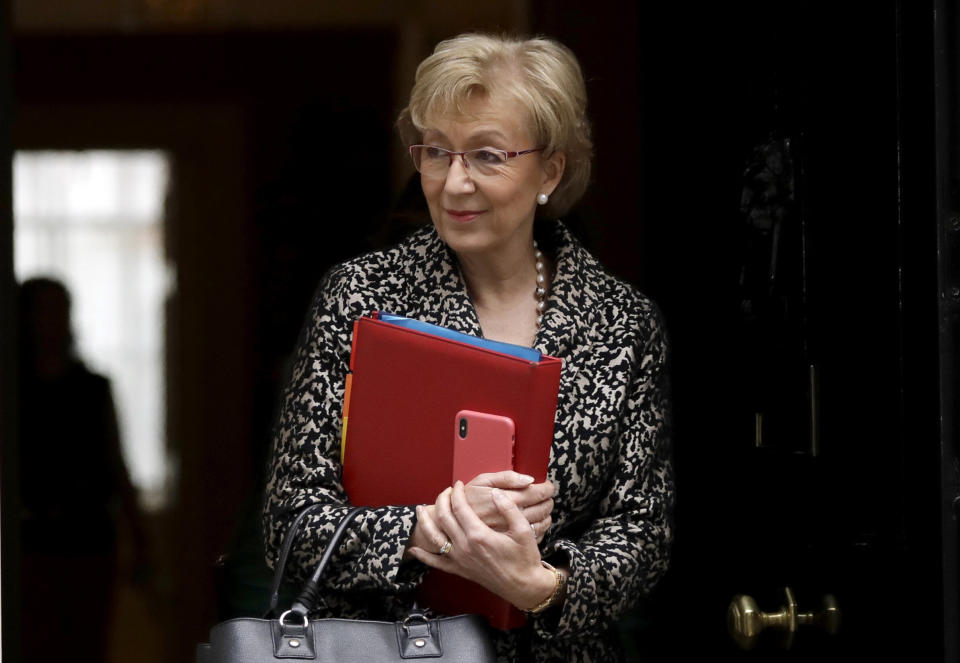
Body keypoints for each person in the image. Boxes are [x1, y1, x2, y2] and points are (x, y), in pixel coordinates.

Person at [263, 33, 673, 662]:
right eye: (435, 153)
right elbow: (288, 522)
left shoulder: (622, 321)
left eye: (486, 156)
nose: (454, 184)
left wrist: (542, 587)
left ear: (550, 170)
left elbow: (641, 531)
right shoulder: (361, 299)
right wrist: (430, 530)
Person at [17, 277, 146, 663]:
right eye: (44, 310)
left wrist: (140, 540)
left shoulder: (92, 388)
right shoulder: (14, 391)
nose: (54, 320)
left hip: (88, 541)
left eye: (61, 309)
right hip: (31, 544)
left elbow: (116, 463)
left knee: (85, 644)